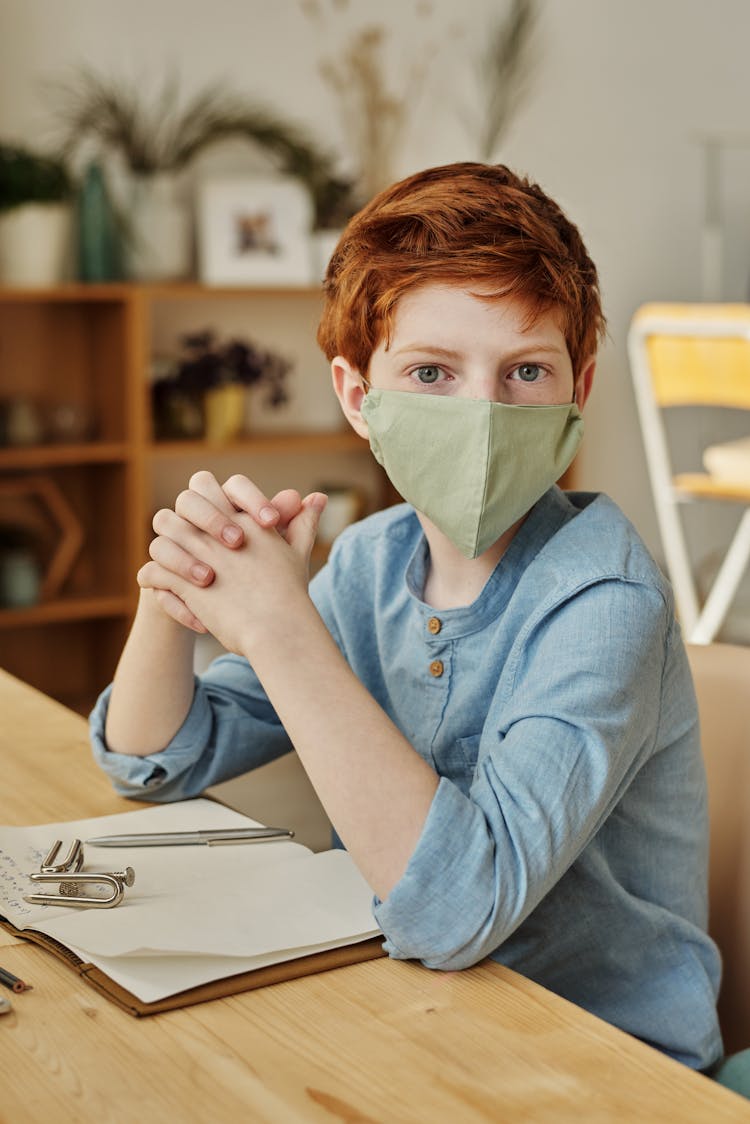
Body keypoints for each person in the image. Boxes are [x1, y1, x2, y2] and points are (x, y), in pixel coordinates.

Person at [90, 162, 722, 1071]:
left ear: (577, 392)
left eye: (525, 372)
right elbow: (154, 758)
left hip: (612, 1067)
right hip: (424, 1029)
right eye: (431, 370)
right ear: (358, 397)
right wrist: (178, 584)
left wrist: (278, 629)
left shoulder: (604, 599)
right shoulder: (370, 561)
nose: (481, 413)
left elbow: (458, 908)